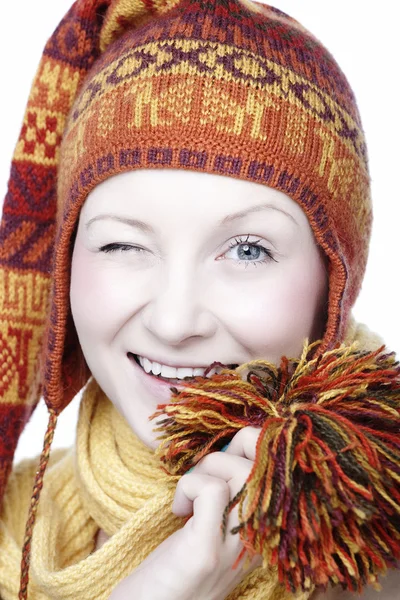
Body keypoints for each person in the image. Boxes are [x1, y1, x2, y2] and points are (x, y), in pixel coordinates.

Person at [0, 0, 399, 599]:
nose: (174, 320)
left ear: (334, 283)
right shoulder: (15, 519)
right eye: (122, 245)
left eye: (246, 250)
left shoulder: (377, 563)